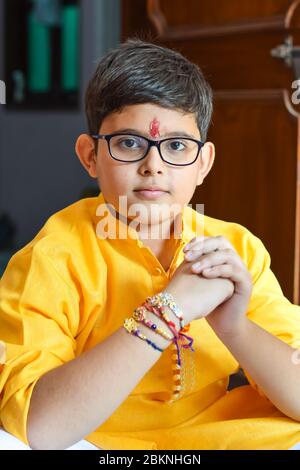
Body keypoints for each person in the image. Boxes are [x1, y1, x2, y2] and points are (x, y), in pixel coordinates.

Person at [1, 38, 300, 451]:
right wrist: (167, 311)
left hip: (217, 437)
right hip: (95, 441)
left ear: (203, 164)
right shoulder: (53, 259)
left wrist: (233, 325)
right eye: (129, 143)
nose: (153, 165)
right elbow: (40, 427)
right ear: (90, 156)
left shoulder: (234, 250)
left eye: (176, 146)